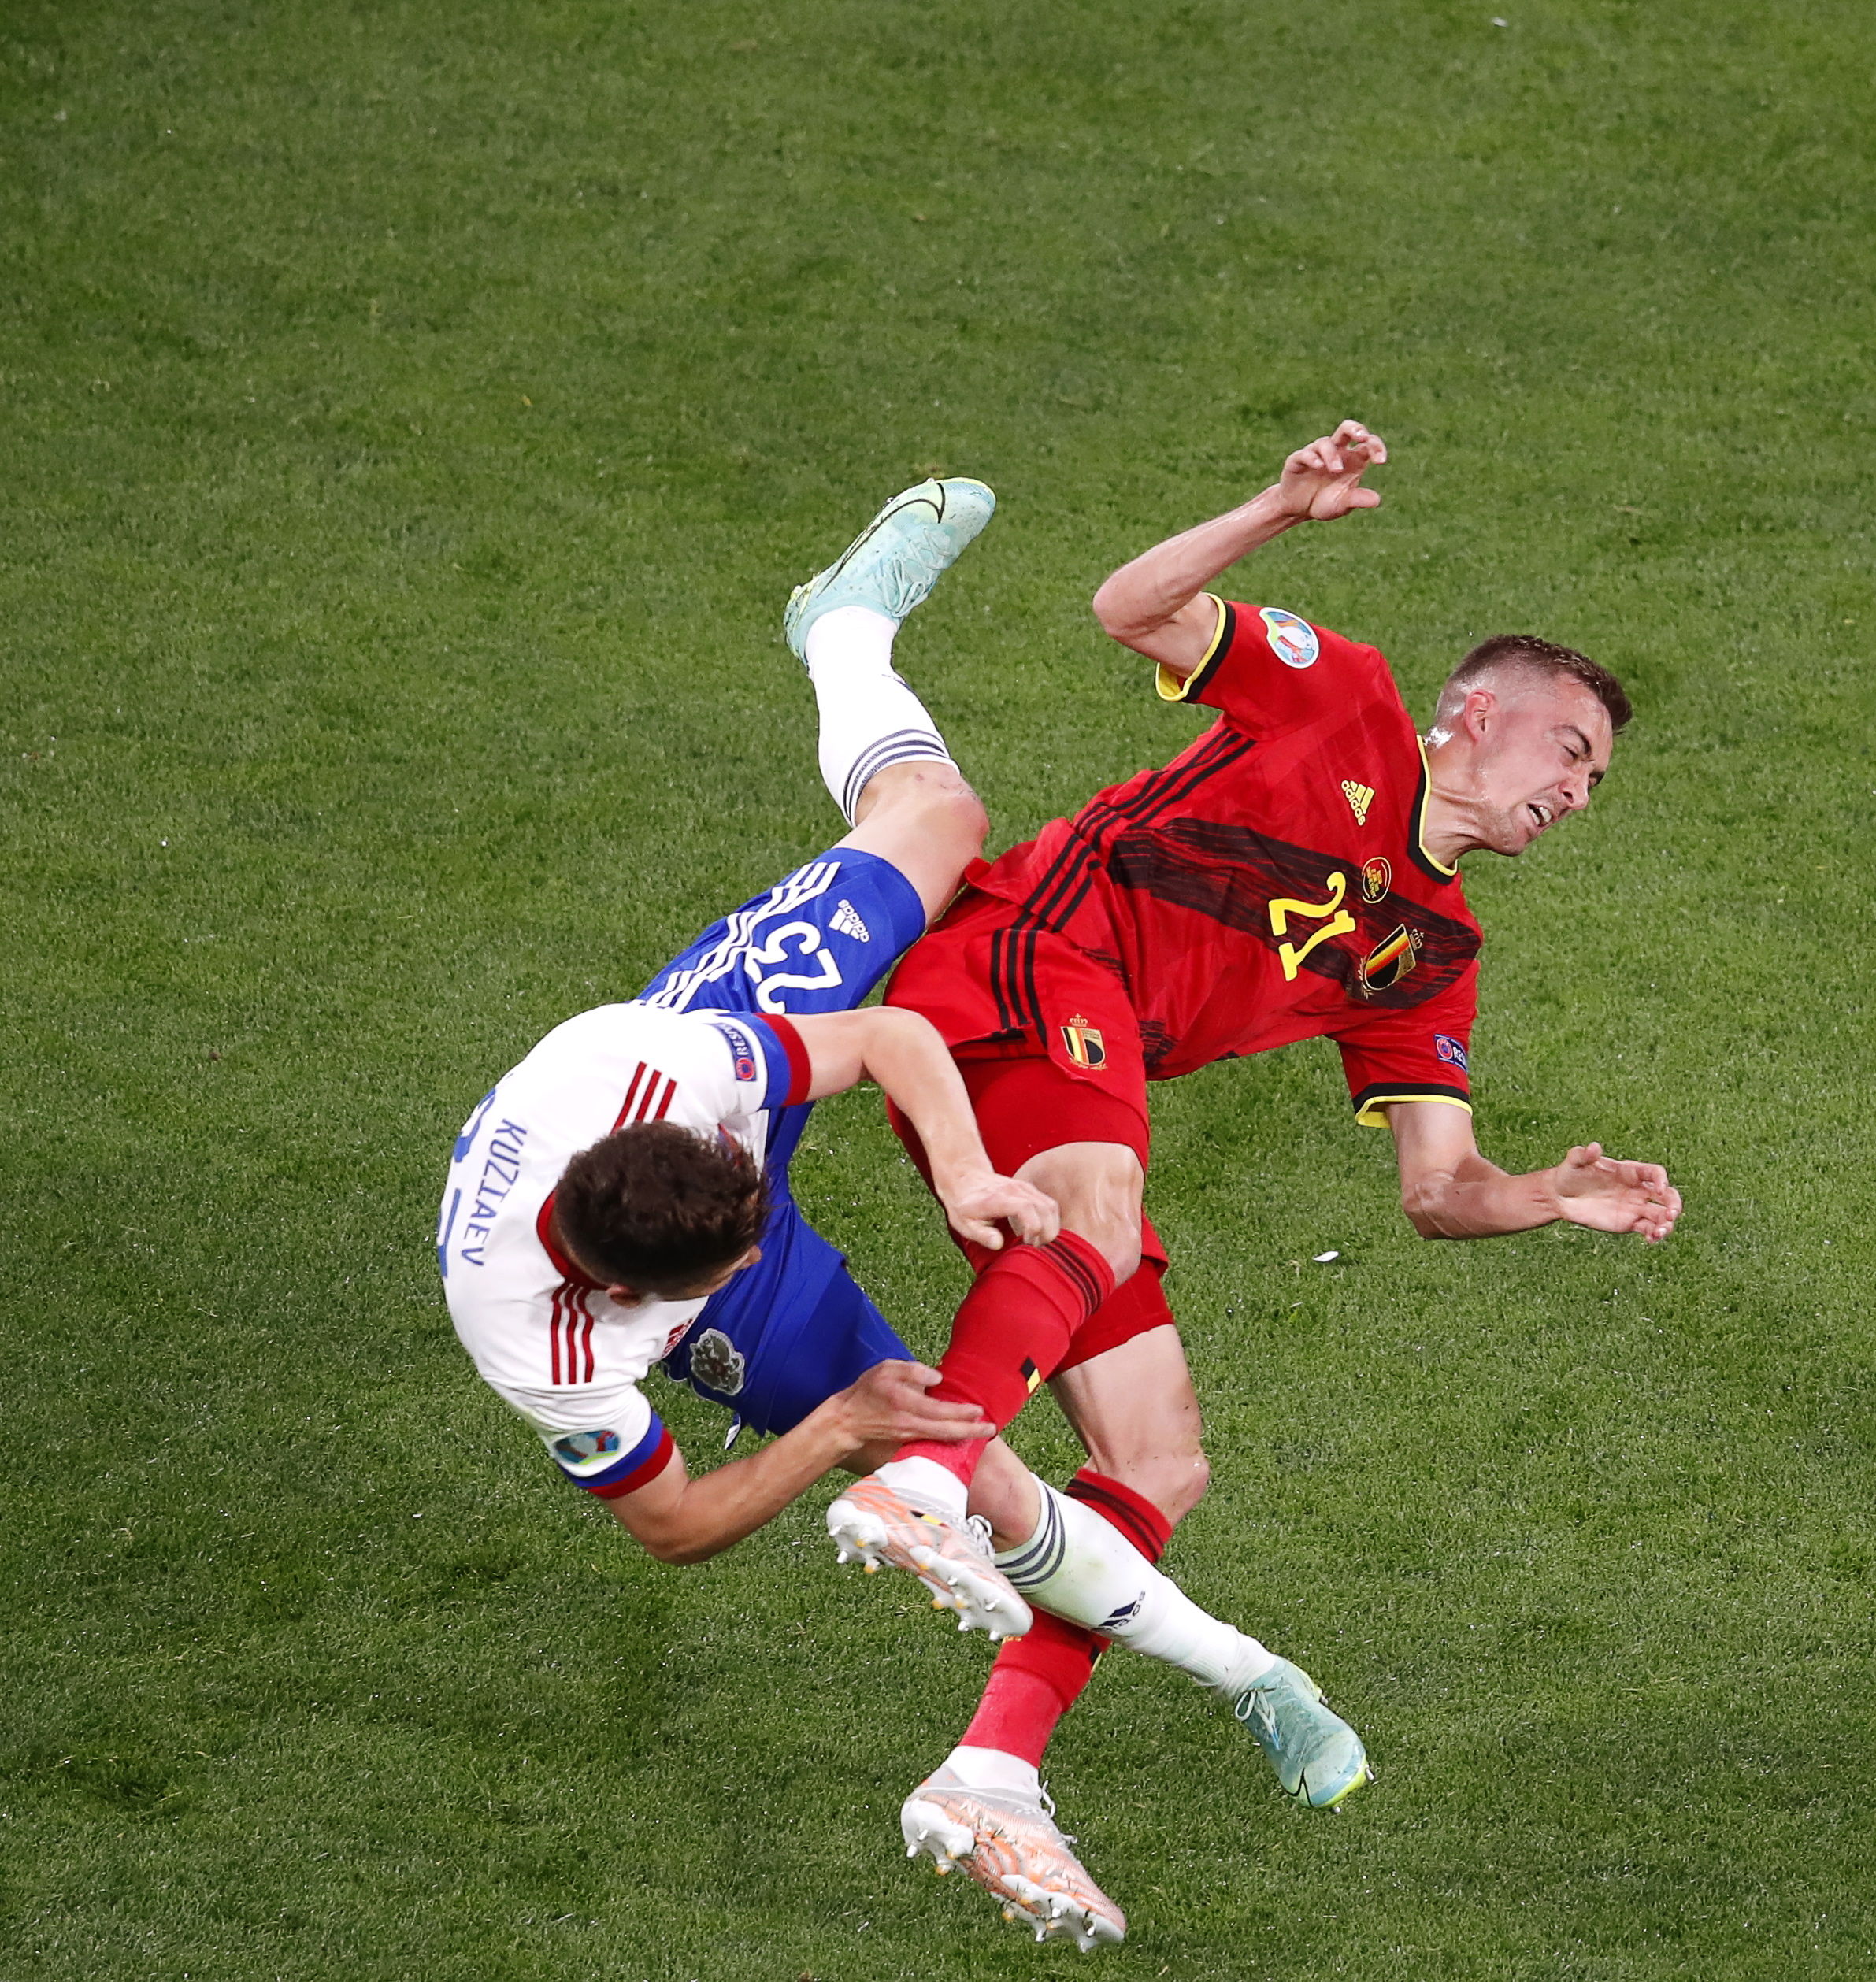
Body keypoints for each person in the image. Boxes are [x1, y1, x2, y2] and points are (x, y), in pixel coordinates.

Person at [439, 480, 1351, 1954]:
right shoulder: (541, 1345)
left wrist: (975, 1174)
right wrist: (837, 1433)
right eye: (751, 1246)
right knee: (957, 1452)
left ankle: (841, 621)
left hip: (703, 1060)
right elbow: (670, 1524)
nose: (779, 1229)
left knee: (939, 814)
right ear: (648, 1310)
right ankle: (1245, 1677)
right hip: (664, 1236)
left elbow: (891, 1043)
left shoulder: (672, 1065)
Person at [824, 422, 1685, 1936]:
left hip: (1071, 1070)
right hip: (1018, 959)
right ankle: (922, 1476)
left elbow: (1437, 1185)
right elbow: (1127, 608)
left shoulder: (1436, 956)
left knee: (1160, 1460)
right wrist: (1276, 514)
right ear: (1474, 714)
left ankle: (991, 1771)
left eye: (1599, 778)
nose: (1584, 792)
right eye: (1574, 750)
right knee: (1097, 1202)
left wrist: (1549, 1195)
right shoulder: (1340, 695)